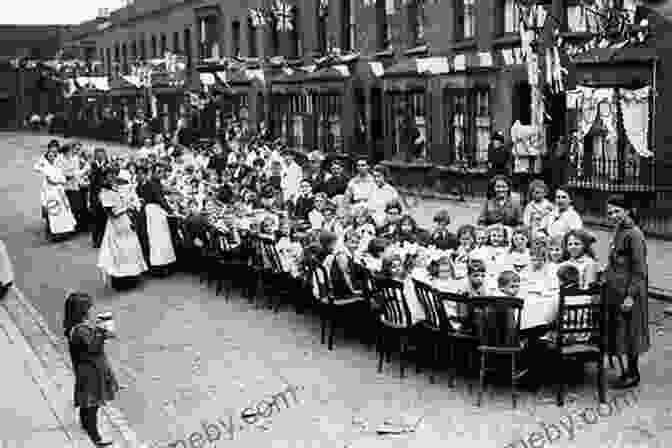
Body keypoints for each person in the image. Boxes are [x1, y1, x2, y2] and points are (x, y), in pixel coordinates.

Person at [604, 194, 650, 389]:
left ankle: (633, 373)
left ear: (627, 211)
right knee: (621, 331)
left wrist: (631, 295)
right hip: (616, 289)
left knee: (632, 333)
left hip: (630, 292)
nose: (613, 215)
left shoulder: (635, 234)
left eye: (617, 211)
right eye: (609, 212)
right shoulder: (619, 229)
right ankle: (626, 370)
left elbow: (640, 270)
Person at [63, 291, 117, 447]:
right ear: (82, 311)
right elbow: (94, 347)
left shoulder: (75, 327)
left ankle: (85, 423)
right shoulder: (81, 329)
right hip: (91, 372)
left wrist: (98, 330)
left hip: (85, 370)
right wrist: (103, 332)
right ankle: (95, 435)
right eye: (89, 307)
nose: (91, 309)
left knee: (87, 402)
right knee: (93, 403)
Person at [97, 168, 148, 290]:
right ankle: (120, 282)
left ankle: (132, 278)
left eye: (114, 176)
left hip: (127, 223)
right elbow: (112, 213)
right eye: (109, 176)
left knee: (131, 250)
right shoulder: (105, 192)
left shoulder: (121, 190)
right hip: (116, 226)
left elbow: (132, 201)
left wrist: (134, 204)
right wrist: (126, 207)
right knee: (119, 252)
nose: (113, 179)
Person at [137, 165, 177, 275]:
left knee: (158, 240)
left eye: (161, 172)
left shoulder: (153, 183)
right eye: (158, 172)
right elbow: (160, 199)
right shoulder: (152, 184)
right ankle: (159, 267)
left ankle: (159, 266)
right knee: (158, 240)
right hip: (154, 212)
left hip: (153, 212)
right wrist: (170, 210)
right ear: (152, 173)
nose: (161, 174)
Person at [34, 147, 77, 239]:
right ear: (47, 157)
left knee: (64, 213)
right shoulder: (45, 167)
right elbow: (39, 170)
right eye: (49, 156)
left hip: (60, 191)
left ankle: (65, 232)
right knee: (54, 213)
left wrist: (60, 181)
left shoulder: (58, 166)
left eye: (53, 156)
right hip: (51, 193)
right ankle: (54, 234)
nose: (52, 157)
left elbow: (63, 179)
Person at [89, 148, 109, 248]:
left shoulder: (108, 164)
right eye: (98, 155)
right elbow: (92, 180)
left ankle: (103, 239)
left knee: (104, 218)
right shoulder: (92, 165)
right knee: (95, 219)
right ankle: (96, 240)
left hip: (105, 195)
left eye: (102, 154)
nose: (101, 156)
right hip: (95, 195)